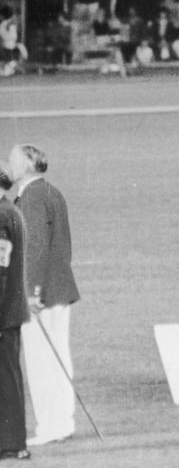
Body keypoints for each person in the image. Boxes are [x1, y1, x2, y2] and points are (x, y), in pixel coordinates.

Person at [10, 143, 80, 446]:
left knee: (42, 361)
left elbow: (34, 249)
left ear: (27, 164)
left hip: (41, 293)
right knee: (58, 357)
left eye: (13, 161)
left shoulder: (32, 198)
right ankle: (62, 422)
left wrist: (31, 292)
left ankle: (51, 426)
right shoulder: (51, 192)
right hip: (59, 288)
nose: (8, 167)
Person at [0, 162, 30, 461]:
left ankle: (10, 443)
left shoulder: (1, 216)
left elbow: (1, 272)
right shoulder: (10, 211)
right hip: (10, 310)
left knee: (6, 378)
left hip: (3, 312)